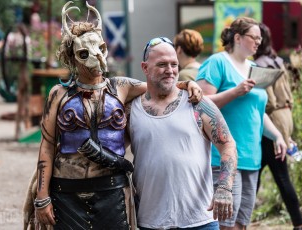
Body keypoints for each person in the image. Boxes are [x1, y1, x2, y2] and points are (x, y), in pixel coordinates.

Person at [23, 2, 202, 229]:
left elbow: (160, 85)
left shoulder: (121, 87)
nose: (96, 58)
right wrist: (41, 197)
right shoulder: (59, 94)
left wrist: (188, 84)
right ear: (73, 57)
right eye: (85, 53)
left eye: (100, 49)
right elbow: (47, 146)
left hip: (112, 190)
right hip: (66, 189)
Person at [125, 37, 237, 230]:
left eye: (174, 64)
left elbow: (227, 144)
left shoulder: (198, 103)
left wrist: (225, 188)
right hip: (150, 221)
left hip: (200, 219)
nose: (170, 70)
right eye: (161, 64)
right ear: (145, 68)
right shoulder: (130, 110)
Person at [196, 17, 287, 230]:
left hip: (251, 158)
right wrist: (236, 91)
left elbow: (258, 112)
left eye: (260, 38)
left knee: (241, 224)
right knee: (224, 225)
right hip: (224, 158)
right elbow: (200, 103)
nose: (258, 42)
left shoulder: (255, 67)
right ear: (237, 37)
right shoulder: (217, 62)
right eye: (253, 37)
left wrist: (278, 135)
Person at [253, 23, 302, 230]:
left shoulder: (260, 64)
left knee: (276, 174)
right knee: (264, 172)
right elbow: (289, 94)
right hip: (285, 116)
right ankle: (298, 223)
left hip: (271, 119)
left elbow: (266, 101)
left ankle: (299, 224)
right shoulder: (277, 60)